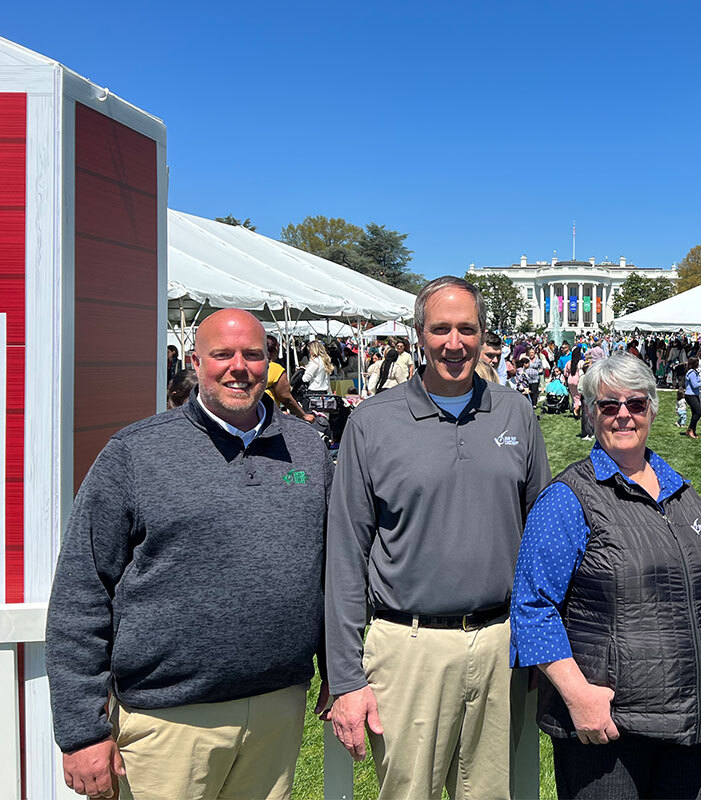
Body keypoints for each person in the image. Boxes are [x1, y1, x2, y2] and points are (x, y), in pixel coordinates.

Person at [47, 309, 331, 800]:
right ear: (196, 362)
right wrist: (82, 730)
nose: (238, 367)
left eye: (253, 354)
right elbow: (82, 591)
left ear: (271, 363)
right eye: (222, 354)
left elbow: (331, 571)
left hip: (277, 708)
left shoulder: (306, 449)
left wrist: (337, 669)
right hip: (167, 720)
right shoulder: (136, 453)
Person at [325, 276, 551, 800]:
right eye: (441, 329)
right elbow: (345, 555)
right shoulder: (372, 422)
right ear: (418, 336)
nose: (454, 343)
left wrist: (541, 643)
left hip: (500, 645)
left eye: (467, 329)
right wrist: (344, 677)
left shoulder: (515, 411)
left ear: (483, 334)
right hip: (408, 647)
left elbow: (541, 536)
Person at [510, 353, 701, 799]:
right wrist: (578, 697)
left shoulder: (681, 491)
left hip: (687, 723)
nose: (623, 414)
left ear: (652, 411)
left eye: (637, 404)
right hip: (607, 729)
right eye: (609, 405)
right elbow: (531, 607)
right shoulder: (569, 497)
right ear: (590, 413)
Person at [265, 334, 314, 421]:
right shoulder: (276, 369)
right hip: (268, 416)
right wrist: (304, 415)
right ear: (276, 348)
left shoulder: (249, 366)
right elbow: (286, 398)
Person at [683, 356, 701, 439]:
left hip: (694, 394)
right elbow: (695, 385)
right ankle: (690, 429)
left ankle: (693, 431)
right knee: (699, 412)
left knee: (695, 413)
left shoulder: (694, 372)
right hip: (690, 395)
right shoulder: (691, 373)